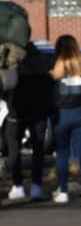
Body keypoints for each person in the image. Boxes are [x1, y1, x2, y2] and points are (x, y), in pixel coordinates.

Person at [49, 35, 81, 204]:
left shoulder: (53, 69)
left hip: (61, 115)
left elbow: (49, 96)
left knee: (62, 153)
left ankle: (63, 190)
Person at [5, 41, 56, 202]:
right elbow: (50, 86)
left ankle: (18, 185)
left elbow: (6, 86)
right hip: (38, 112)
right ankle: (36, 186)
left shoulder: (13, 63)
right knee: (38, 150)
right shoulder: (43, 62)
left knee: (13, 150)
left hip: (16, 113)